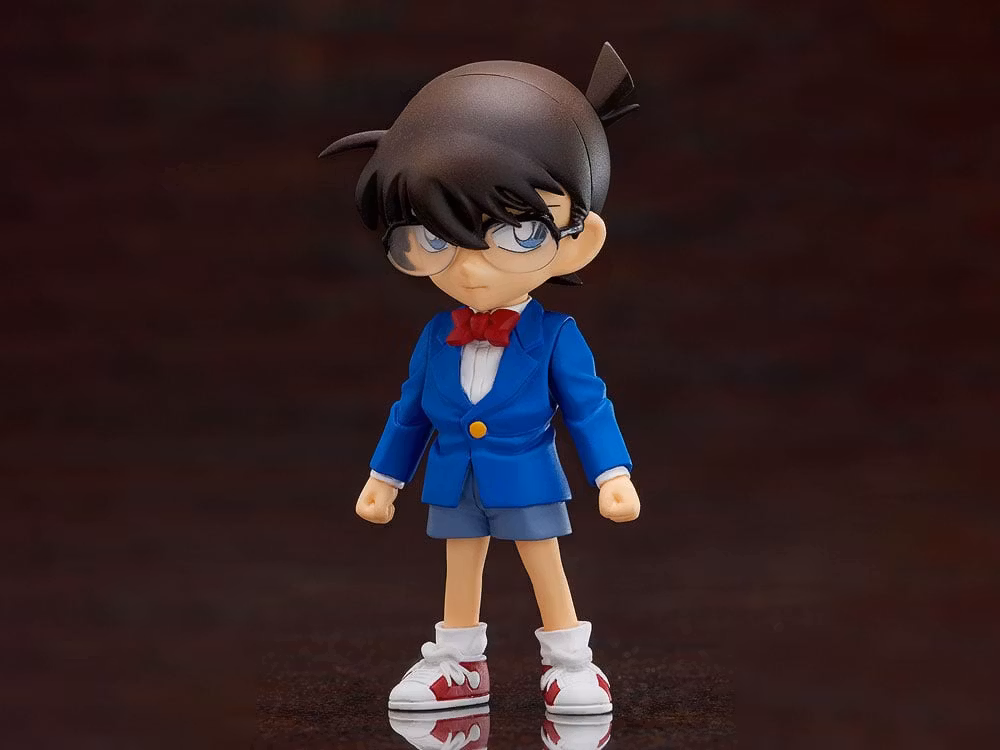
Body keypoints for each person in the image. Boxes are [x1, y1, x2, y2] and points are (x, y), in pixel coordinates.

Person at [320, 42, 640, 716]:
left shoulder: (554, 335)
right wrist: (384, 479)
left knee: (542, 563)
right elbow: (410, 412)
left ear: (578, 242)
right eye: (431, 238)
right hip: (453, 478)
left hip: (526, 475)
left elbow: (588, 408)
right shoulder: (436, 336)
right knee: (459, 567)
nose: (468, 266)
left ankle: (570, 663)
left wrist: (612, 475)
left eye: (518, 232)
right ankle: (459, 664)